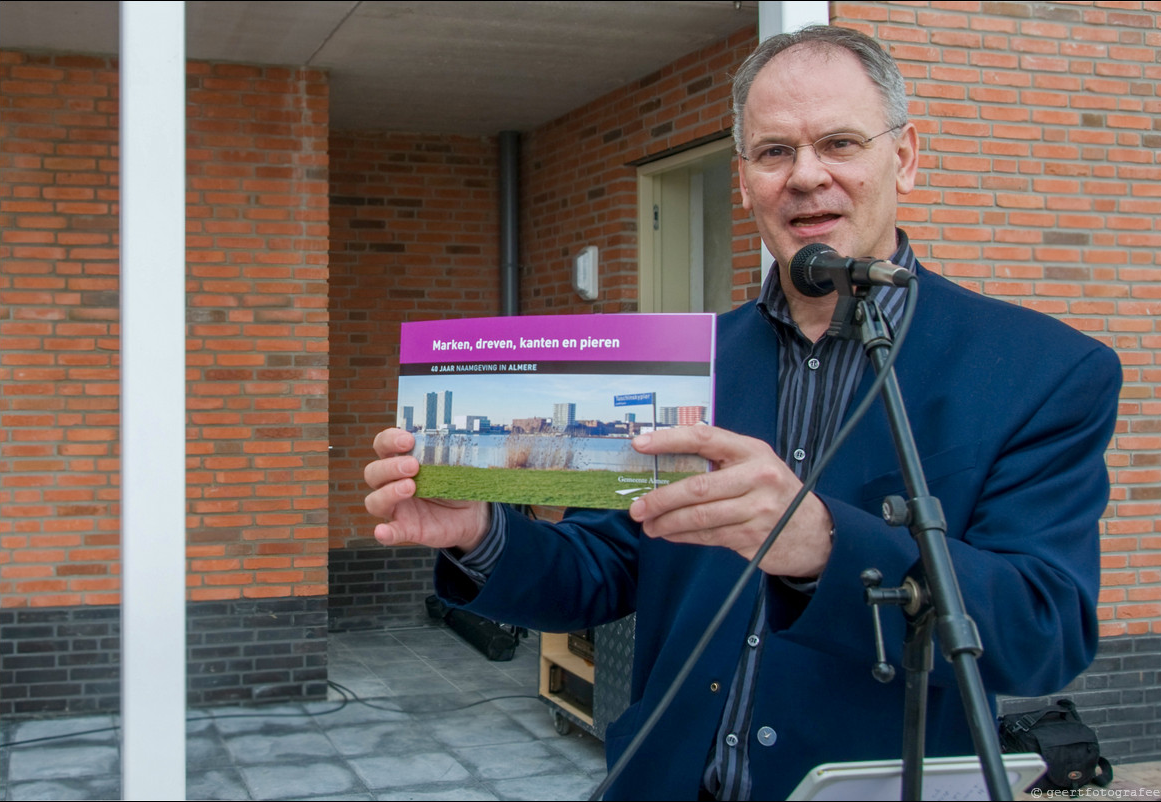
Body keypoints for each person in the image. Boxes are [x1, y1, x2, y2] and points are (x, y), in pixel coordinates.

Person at [364, 25, 1122, 801]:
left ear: (905, 156)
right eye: (774, 152)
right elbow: (604, 569)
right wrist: (482, 535)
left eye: (839, 142)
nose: (806, 176)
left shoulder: (1043, 371)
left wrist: (825, 545)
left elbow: (1045, 630)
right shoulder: (685, 362)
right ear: (744, 178)